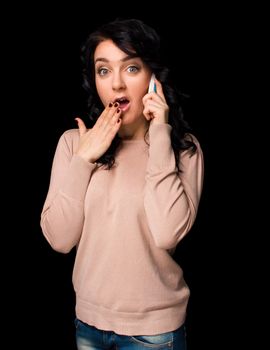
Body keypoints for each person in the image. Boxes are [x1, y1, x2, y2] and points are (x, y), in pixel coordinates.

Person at [40, 18, 204, 350]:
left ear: (153, 78)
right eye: (103, 70)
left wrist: (160, 131)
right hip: (88, 324)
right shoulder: (75, 143)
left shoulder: (183, 148)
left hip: (155, 333)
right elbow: (59, 239)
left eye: (131, 69)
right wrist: (84, 160)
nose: (116, 84)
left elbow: (168, 232)